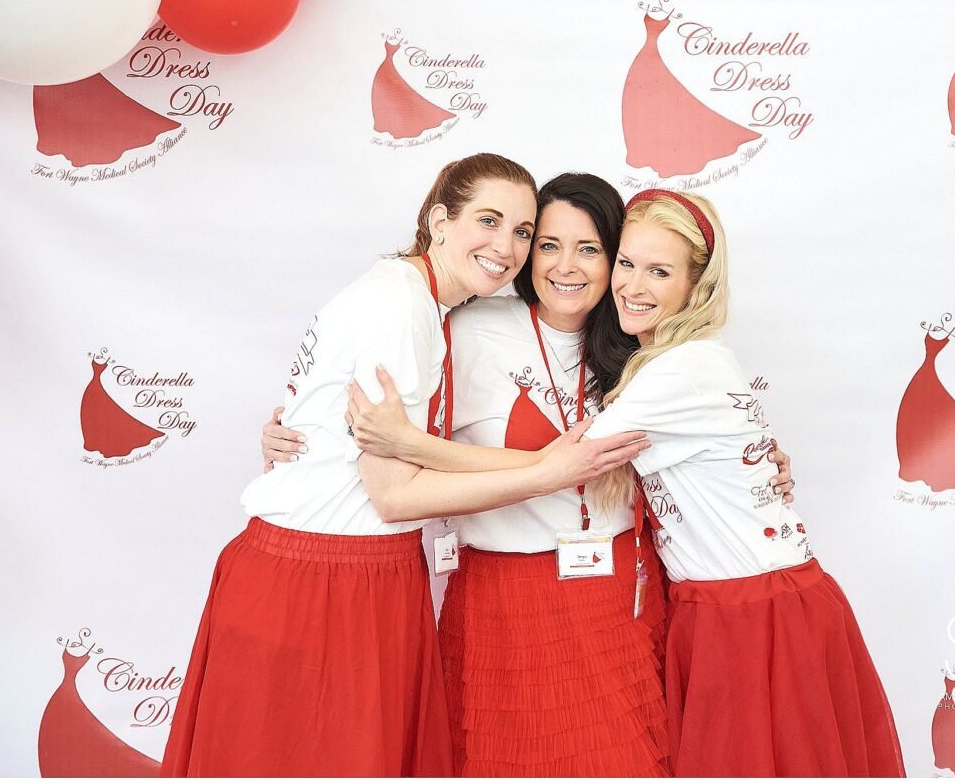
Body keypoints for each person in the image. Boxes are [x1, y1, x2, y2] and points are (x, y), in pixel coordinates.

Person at [262, 173, 796, 776]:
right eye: (547, 245)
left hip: (622, 601)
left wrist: (762, 464)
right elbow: (369, 416)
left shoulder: (640, 344)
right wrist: (300, 436)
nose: (567, 266)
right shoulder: (463, 328)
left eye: (590, 249)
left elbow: (708, 437)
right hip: (502, 606)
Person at [161, 155, 646, 778]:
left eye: (521, 232)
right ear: (438, 221)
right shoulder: (406, 308)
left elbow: (361, 435)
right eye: (491, 222)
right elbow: (393, 494)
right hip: (326, 574)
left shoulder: (416, 303)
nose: (507, 247)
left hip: (359, 570)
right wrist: (548, 470)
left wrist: (324, 434)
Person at [582, 189, 906, 777]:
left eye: (659, 271)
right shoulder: (689, 360)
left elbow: (565, 463)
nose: (632, 285)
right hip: (745, 604)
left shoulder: (682, 368)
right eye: (626, 263)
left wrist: (415, 451)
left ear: (696, 286)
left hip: (752, 615)